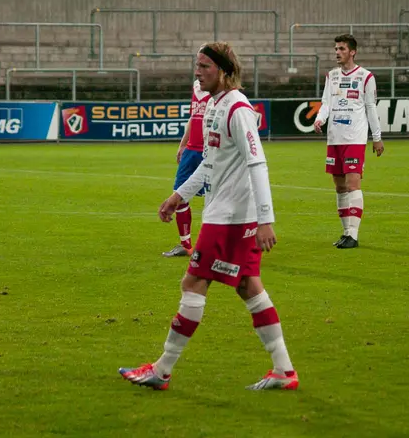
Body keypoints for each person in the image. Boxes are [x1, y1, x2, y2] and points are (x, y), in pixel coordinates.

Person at [119, 42, 298, 391]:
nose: (197, 72)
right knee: (249, 286)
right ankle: (284, 370)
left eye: (204, 67)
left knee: (193, 282)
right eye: (196, 66)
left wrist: (265, 219)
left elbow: (257, 162)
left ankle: (162, 369)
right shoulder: (214, 105)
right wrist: (177, 196)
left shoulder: (237, 108)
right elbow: (210, 164)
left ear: (224, 71)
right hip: (227, 213)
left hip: (230, 218)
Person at [313, 34, 384, 249]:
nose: (337, 52)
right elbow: (326, 102)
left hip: (355, 137)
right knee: (339, 187)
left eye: (342, 49)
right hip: (334, 137)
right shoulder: (331, 76)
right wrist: (320, 118)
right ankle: (345, 233)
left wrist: (377, 137)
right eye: (336, 48)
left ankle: (353, 234)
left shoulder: (365, 77)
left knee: (353, 183)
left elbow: (371, 107)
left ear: (352, 51)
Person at [162, 79, 211, 257]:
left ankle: (221, 243)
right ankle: (186, 245)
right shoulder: (198, 86)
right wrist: (183, 144)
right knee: (179, 194)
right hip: (191, 150)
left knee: (217, 198)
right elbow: (193, 117)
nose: (199, 69)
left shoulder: (220, 89)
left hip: (210, 150)